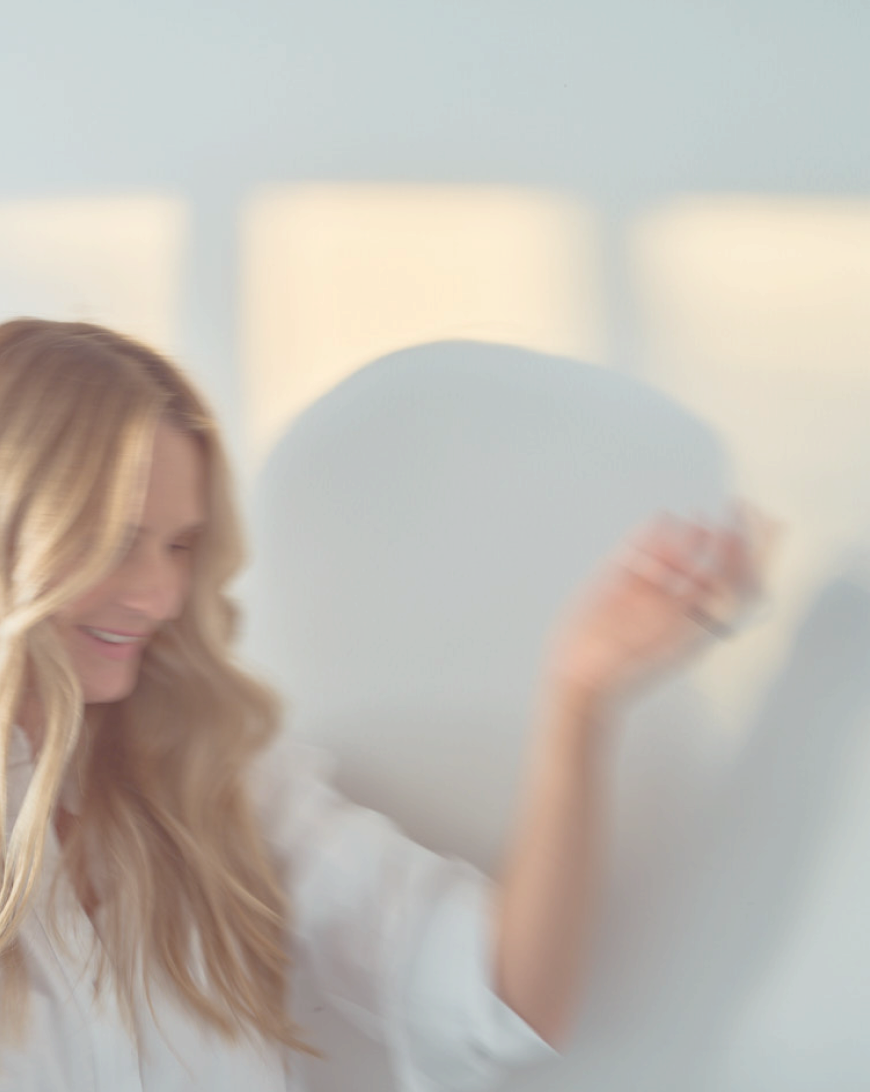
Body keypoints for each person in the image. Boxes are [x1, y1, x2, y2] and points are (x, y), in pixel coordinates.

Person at [0, 318, 776, 1091]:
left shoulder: (218, 785)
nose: (163, 594)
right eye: (118, 539)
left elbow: (506, 1005)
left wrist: (582, 693)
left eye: (179, 546)